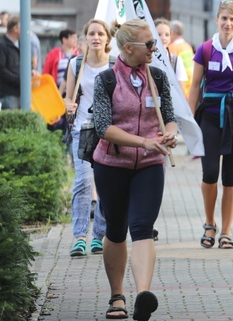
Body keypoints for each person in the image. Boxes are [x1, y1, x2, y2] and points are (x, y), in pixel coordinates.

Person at [91, 19, 178, 321]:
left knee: (142, 228)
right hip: (111, 165)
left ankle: (143, 296)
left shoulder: (158, 76)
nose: (156, 48)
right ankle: (117, 296)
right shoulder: (105, 81)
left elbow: (169, 115)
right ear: (129, 47)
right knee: (115, 230)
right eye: (150, 44)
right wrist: (144, 141)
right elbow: (104, 127)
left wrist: (169, 132)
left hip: (150, 166)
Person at [189, 0, 233, 250]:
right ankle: (210, 223)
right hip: (210, 115)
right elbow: (194, 86)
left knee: (230, 176)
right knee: (210, 173)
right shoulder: (205, 50)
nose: (228, 23)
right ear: (216, 20)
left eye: (232, 19)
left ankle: (227, 231)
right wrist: (189, 120)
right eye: (224, 18)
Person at [63, 20, 110, 259]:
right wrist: (69, 106)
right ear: (85, 38)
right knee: (82, 181)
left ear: (107, 39)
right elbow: (68, 97)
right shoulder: (76, 64)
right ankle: (79, 236)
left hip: (109, 132)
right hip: (82, 129)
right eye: (91, 33)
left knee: (104, 184)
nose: (96, 37)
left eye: (101, 33)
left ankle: (98, 236)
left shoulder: (114, 65)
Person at [154, 19, 188, 91]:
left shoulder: (176, 61)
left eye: (167, 35)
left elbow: (181, 89)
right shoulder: (147, 59)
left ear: (170, 38)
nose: (163, 38)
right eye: (159, 34)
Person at [0, 14, 22, 110]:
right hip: (8, 94)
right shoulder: (2, 45)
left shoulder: (21, 44)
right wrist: (20, 80)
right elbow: (2, 70)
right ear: (15, 28)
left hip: (22, 93)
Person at [167, 20, 194, 98]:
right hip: (189, 85)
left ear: (173, 32)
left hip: (180, 86)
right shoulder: (187, 46)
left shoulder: (172, 48)